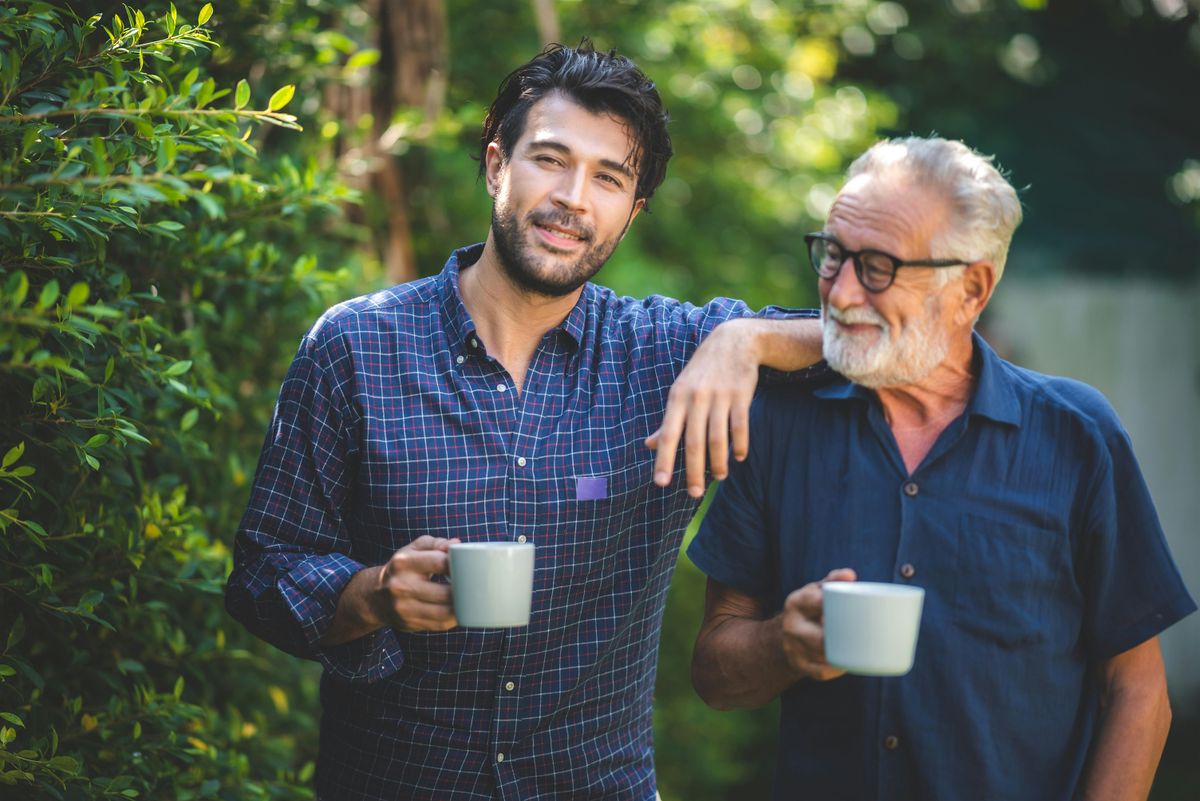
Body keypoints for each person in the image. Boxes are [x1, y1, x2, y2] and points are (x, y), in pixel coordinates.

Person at [225, 40, 825, 800]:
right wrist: (370, 595)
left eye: (608, 178)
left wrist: (749, 337)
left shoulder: (669, 351)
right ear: (496, 165)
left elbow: (878, 340)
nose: (575, 197)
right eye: (551, 158)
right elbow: (262, 573)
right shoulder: (355, 345)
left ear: (632, 211)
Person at [686, 136, 1197, 801]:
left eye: (876, 267)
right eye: (833, 253)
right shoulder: (780, 425)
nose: (838, 293)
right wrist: (783, 644)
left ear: (971, 287)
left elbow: (1138, 690)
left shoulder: (1076, 436)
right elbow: (714, 675)